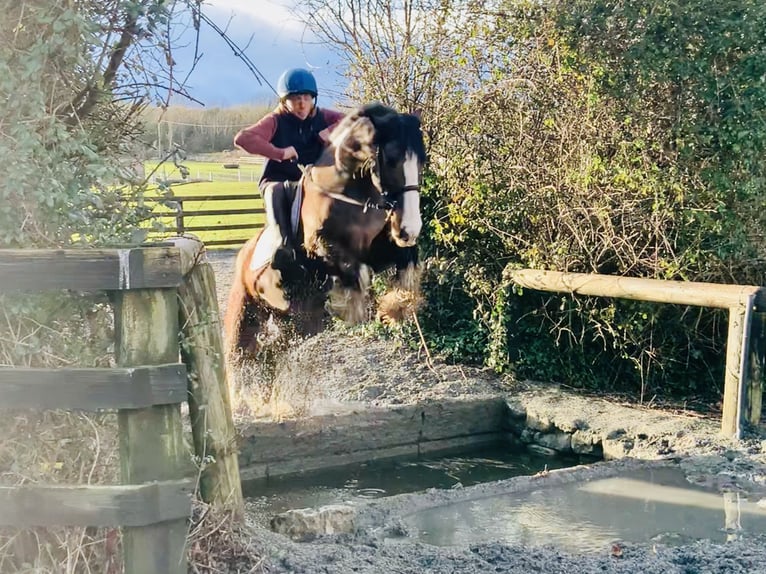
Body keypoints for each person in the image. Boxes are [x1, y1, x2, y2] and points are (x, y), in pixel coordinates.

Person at [234, 67, 345, 268]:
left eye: (306, 97)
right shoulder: (275, 120)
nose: (301, 103)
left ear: (313, 99)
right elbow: (243, 138)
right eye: (294, 99)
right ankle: (283, 245)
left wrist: (331, 131)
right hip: (278, 180)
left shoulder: (323, 116)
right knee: (277, 190)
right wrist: (280, 153)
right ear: (284, 101)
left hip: (314, 182)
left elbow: (354, 120)